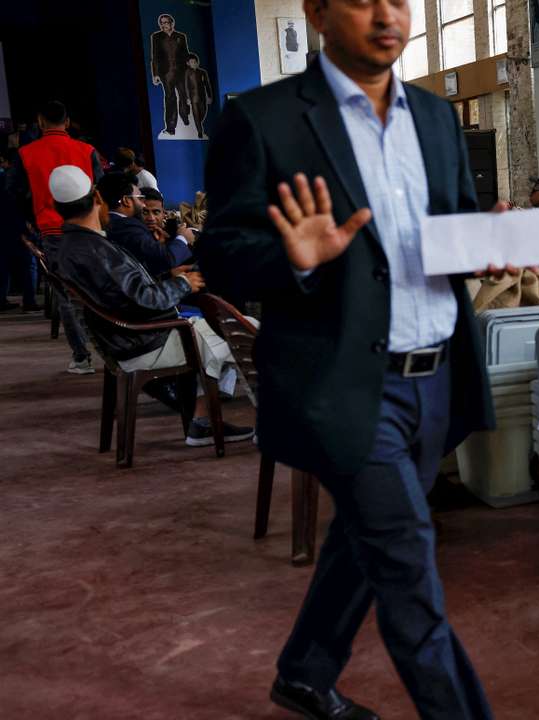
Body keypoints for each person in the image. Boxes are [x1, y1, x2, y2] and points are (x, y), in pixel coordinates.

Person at [198, 0, 509, 717]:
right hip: (342, 383)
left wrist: (478, 244)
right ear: (316, 12)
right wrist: (291, 258)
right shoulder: (265, 118)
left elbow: (448, 227)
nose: (387, 15)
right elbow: (220, 256)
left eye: (399, 0)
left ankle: (305, 671)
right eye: (364, 0)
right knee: (406, 562)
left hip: (433, 376)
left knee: (365, 538)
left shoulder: (434, 117)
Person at [48, 166, 253, 446]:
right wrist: (183, 284)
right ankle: (265, 422)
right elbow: (144, 300)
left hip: (127, 338)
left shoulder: (74, 246)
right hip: (148, 339)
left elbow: (125, 293)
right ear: (97, 198)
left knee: (234, 329)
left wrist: (166, 277)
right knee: (247, 333)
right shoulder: (95, 249)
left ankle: (202, 422)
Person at [15, 100, 103, 373]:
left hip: (52, 232)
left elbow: (15, 192)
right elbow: (101, 186)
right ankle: (114, 353)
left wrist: (30, 221)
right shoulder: (87, 150)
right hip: (90, 231)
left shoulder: (26, 153)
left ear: (40, 122)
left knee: (66, 297)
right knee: (100, 291)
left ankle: (81, 357)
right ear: (67, 122)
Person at [100, 172, 192, 277]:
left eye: (156, 212)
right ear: (126, 201)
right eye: (140, 198)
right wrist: (183, 238)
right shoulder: (126, 226)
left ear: (164, 213)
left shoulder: (115, 223)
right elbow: (167, 259)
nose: (143, 204)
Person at [0, 150, 38, 311]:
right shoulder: (25, 179)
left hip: (2, 226)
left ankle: (1, 300)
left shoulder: (2, 177)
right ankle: (29, 301)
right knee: (30, 263)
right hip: (21, 225)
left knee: (2, 264)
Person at [151, 13, 191, 136]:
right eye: (161, 23)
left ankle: (185, 116)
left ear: (172, 23)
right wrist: (156, 74)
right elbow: (155, 56)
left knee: (183, 96)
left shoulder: (180, 36)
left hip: (181, 71)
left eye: (166, 22)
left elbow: (186, 54)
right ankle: (170, 127)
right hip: (166, 72)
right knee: (170, 98)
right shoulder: (156, 37)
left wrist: (189, 70)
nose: (163, 25)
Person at [185, 53, 215, 139]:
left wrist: (209, 96)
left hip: (202, 97)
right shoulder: (188, 72)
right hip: (193, 97)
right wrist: (187, 98)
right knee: (196, 114)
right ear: (188, 63)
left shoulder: (202, 72)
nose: (194, 63)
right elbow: (186, 86)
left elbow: (207, 85)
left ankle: (198, 123)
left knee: (203, 111)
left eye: (195, 62)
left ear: (197, 62)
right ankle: (199, 131)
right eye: (192, 62)